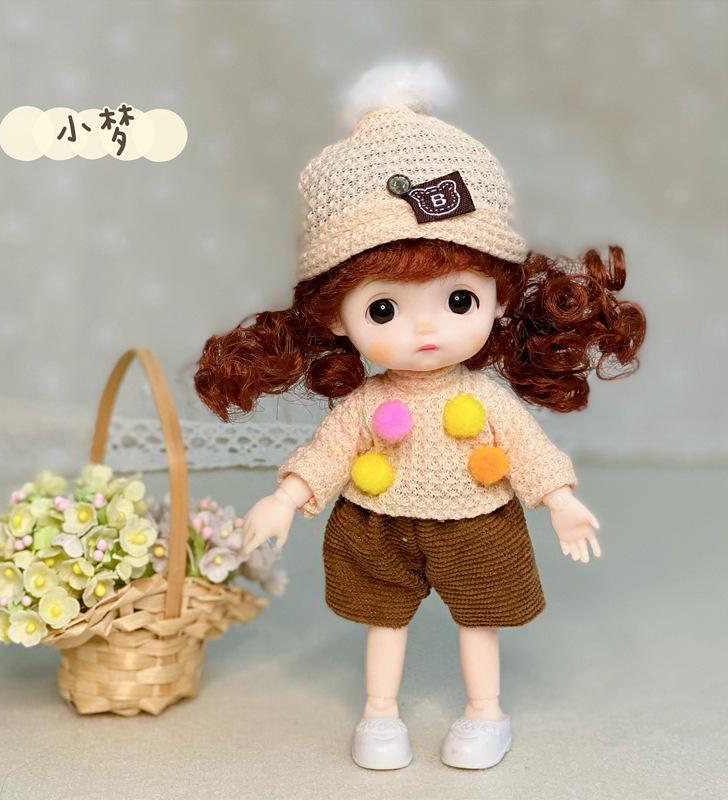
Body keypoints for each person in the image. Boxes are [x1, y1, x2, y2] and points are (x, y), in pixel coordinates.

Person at [194, 62, 646, 771]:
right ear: (335, 317)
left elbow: (526, 447)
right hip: (378, 520)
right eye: (384, 309)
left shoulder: (486, 400)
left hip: (478, 518)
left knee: (480, 619)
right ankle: (380, 714)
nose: (425, 329)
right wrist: (287, 497)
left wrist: (559, 499)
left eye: (458, 300)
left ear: (499, 296)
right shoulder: (368, 404)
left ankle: (485, 712)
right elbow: (329, 449)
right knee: (384, 621)